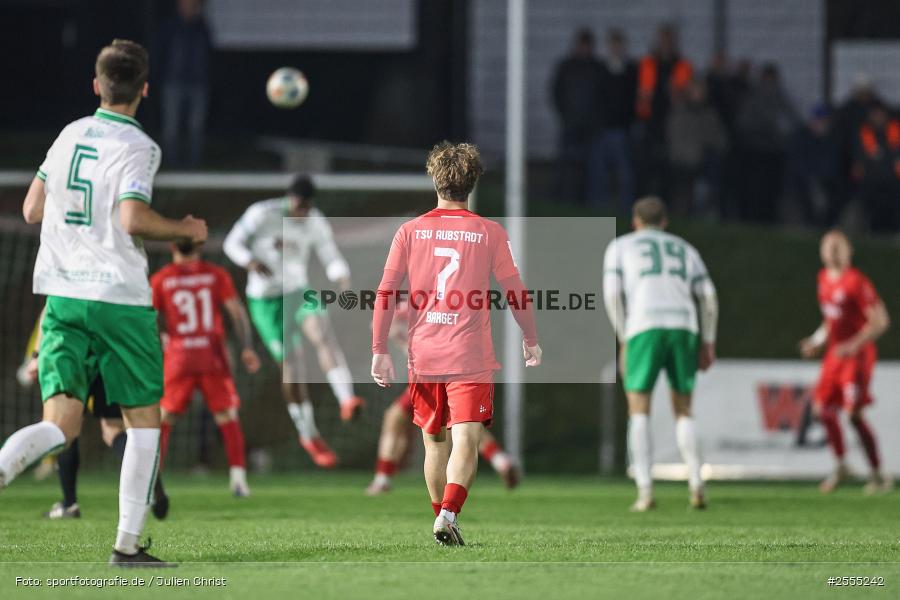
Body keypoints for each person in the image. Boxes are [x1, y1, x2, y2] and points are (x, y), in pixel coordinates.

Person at [0, 39, 207, 566]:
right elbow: (133, 219)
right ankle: (127, 545)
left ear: (96, 85)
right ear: (144, 89)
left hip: (63, 295)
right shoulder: (140, 146)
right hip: (117, 297)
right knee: (143, 423)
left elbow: (30, 209)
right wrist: (182, 228)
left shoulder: (69, 133)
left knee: (58, 427)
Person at [371, 141, 541, 546]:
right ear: (473, 181)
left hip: (424, 352)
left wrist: (378, 349)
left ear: (435, 179)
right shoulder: (489, 231)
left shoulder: (409, 231)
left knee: (434, 443)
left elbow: (384, 291)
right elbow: (515, 289)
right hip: (469, 352)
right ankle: (448, 516)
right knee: (466, 439)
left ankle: (442, 519)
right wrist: (530, 337)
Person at [223, 175, 364, 468]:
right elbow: (231, 243)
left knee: (323, 334)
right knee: (293, 369)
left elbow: (329, 253)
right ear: (290, 199)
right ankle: (308, 434)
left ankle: (347, 398)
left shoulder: (314, 221)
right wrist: (249, 260)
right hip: (265, 301)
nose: (302, 212)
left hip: (298, 291)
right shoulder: (262, 214)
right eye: (299, 206)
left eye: (307, 207)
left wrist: (341, 275)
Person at [602, 197, 718, 511]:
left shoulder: (622, 247)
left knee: (639, 409)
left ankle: (645, 491)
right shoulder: (685, 248)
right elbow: (707, 296)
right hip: (684, 325)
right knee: (684, 409)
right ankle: (696, 483)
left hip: (644, 325)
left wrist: (625, 338)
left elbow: (612, 294)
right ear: (665, 222)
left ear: (635, 222)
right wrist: (708, 340)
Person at [366, 302, 520, 496]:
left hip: (436, 374)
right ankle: (501, 461)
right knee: (461, 426)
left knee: (409, 423)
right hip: (451, 370)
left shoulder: (410, 309)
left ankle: (384, 480)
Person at [151, 241, 261, 501]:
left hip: (179, 356)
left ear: (172, 248)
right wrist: (246, 347)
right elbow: (236, 312)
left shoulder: (161, 278)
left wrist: (161, 340)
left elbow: (148, 316)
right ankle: (238, 481)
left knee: (164, 418)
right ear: (199, 248)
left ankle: (153, 483)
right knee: (227, 416)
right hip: (212, 355)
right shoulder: (215, 274)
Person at [798, 231, 892, 494]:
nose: (833, 251)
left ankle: (877, 474)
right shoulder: (823, 280)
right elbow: (831, 320)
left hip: (857, 355)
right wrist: (817, 341)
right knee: (821, 411)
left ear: (849, 251)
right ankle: (842, 465)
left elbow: (881, 321)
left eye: (838, 246)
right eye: (828, 246)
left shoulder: (856, 282)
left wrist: (854, 344)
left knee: (853, 415)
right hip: (834, 355)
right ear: (821, 252)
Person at [635, 24, 693, 197]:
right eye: (663, 39)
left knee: (668, 169)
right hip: (649, 121)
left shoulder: (682, 65)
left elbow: (687, 93)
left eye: (669, 39)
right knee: (646, 168)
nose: (666, 43)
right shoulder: (648, 63)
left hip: (673, 123)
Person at [153, 0, 213, 167]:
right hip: (173, 82)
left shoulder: (202, 27)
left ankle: (194, 165)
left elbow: (209, 54)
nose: (189, 7)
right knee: (171, 127)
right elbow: (160, 52)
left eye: (193, 4)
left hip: (198, 83)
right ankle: (171, 164)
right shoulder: (170, 27)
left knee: (196, 127)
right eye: (186, 4)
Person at [551, 29, 605, 205]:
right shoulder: (567, 66)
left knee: (591, 166)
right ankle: (562, 198)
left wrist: (597, 118)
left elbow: (604, 95)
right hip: (570, 123)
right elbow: (556, 92)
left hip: (591, 125)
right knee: (566, 164)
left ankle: (588, 200)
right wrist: (565, 114)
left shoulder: (597, 67)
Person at [666, 78, 728, 217]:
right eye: (695, 90)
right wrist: (691, 154)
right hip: (684, 163)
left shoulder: (710, 114)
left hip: (706, 164)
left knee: (706, 196)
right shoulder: (680, 113)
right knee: (682, 198)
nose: (698, 94)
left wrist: (710, 148)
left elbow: (720, 138)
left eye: (701, 90)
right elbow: (675, 140)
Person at [593, 28, 637, 211]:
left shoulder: (630, 70)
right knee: (600, 173)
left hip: (621, 128)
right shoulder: (601, 69)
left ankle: (625, 208)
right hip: (603, 128)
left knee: (625, 173)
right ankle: (598, 207)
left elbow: (632, 97)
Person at [853, 103, 900, 233]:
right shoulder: (864, 132)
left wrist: (883, 155)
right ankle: (876, 230)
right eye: (875, 114)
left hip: (894, 178)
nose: (878, 117)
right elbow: (863, 156)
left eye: (880, 114)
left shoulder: (895, 129)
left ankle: (893, 231)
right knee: (873, 202)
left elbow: (894, 153)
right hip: (871, 178)